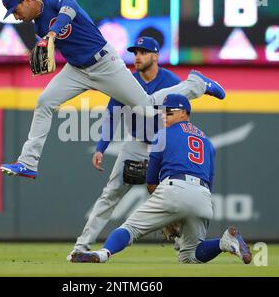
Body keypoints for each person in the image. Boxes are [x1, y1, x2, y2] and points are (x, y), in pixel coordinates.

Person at [0, 0, 225, 179]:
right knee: (45, 101)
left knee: (147, 108)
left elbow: (71, 8)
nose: (16, 16)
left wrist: (52, 34)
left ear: (27, 0)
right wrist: (47, 44)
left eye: (16, 10)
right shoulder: (38, 26)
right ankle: (28, 162)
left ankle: (197, 84)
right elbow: (63, 46)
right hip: (77, 70)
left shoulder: (53, 0)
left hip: (104, 63)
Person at [71, 94, 252, 265]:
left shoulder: (162, 135)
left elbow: (151, 180)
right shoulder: (207, 142)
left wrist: (169, 215)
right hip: (204, 197)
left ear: (184, 113)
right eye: (162, 111)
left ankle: (102, 254)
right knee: (189, 256)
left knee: (131, 229)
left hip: (173, 189)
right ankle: (224, 242)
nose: (164, 115)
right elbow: (210, 181)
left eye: (169, 112)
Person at [66, 36, 182, 260]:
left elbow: (182, 113)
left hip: (164, 146)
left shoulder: (171, 81)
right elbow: (112, 116)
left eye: (143, 52)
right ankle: (81, 245)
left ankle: (183, 246)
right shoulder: (126, 80)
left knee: (176, 198)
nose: (137, 56)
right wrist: (101, 147)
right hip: (136, 144)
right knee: (109, 195)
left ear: (155, 56)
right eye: (135, 52)